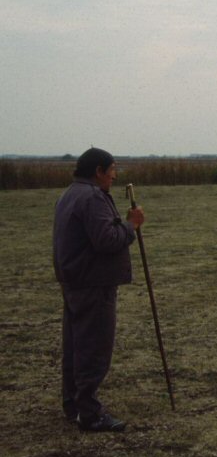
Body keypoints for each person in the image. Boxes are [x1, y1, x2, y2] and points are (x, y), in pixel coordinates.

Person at [53, 148, 145, 432]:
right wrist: (131, 225)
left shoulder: (70, 193)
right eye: (113, 169)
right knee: (94, 347)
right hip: (93, 284)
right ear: (98, 171)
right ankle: (90, 414)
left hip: (75, 281)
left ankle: (74, 405)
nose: (115, 176)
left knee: (76, 346)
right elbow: (106, 240)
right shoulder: (92, 197)